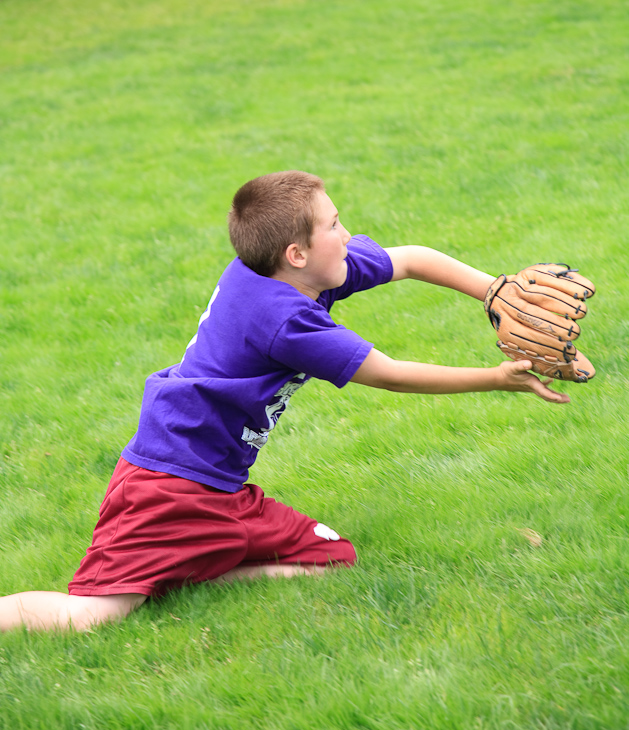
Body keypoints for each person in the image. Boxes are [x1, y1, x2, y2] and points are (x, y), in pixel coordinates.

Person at [0, 171, 569, 632]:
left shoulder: (290, 269)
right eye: (335, 224)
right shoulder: (284, 319)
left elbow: (411, 258)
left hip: (222, 487)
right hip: (166, 484)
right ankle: (162, 570)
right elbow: (390, 375)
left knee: (331, 558)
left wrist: (496, 289)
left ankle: (186, 571)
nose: (347, 234)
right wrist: (497, 379)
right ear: (297, 253)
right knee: (93, 616)